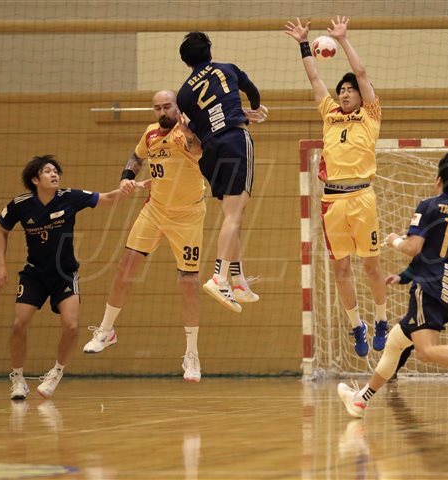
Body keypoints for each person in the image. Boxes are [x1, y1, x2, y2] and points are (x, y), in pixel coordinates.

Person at [337, 152, 448, 418]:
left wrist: (394, 240)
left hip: (426, 288)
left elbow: (413, 248)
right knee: (394, 344)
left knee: (426, 351)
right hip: (445, 291)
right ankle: (361, 399)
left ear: (439, 180)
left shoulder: (429, 206)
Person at [81, 90, 207, 383]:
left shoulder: (187, 130)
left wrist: (189, 132)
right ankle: (106, 330)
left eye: (167, 106)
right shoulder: (150, 133)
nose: (162, 111)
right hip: (155, 210)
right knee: (125, 267)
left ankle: (191, 353)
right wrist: (127, 177)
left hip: (187, 216)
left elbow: (198, 151)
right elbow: (136, 157)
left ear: (177, 106)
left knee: (188, 283)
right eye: (157, 107)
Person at [0, 155, 142, 400]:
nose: (54, 174)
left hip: (65, 274)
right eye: (47, 171)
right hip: (34, 274)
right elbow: (2, 230)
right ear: (35, 179)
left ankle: (56, 373)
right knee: (19, 325)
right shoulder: (20, 204)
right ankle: (18, 379)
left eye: (56, 171)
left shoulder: (70, 197)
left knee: (72, 326)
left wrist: (128, 188)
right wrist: (1, 264)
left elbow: (106, 198)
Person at [285, 16, 388, 356]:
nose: (344, 93)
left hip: (362, 198)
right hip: (332, 202)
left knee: (371, 266)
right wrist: (304, 42)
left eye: (349, 90)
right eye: (341, 90)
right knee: (340, 269)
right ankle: (357, 325)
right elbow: (315, 77)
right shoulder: (329, 113)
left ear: (360, 96)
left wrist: (342, 39)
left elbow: (361, 72)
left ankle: (381, 319)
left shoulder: (370, 114)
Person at [177, 31, 268, 312]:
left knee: (233, 215)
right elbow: (253, 92)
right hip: (234, 141)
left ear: (186, 61)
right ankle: (219, 277)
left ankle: (238, 281)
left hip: (211, 151)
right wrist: (253, 111)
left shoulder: (183, 94)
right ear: (209, 51)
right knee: (234, 215)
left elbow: (193, 131)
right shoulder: (227, 69)